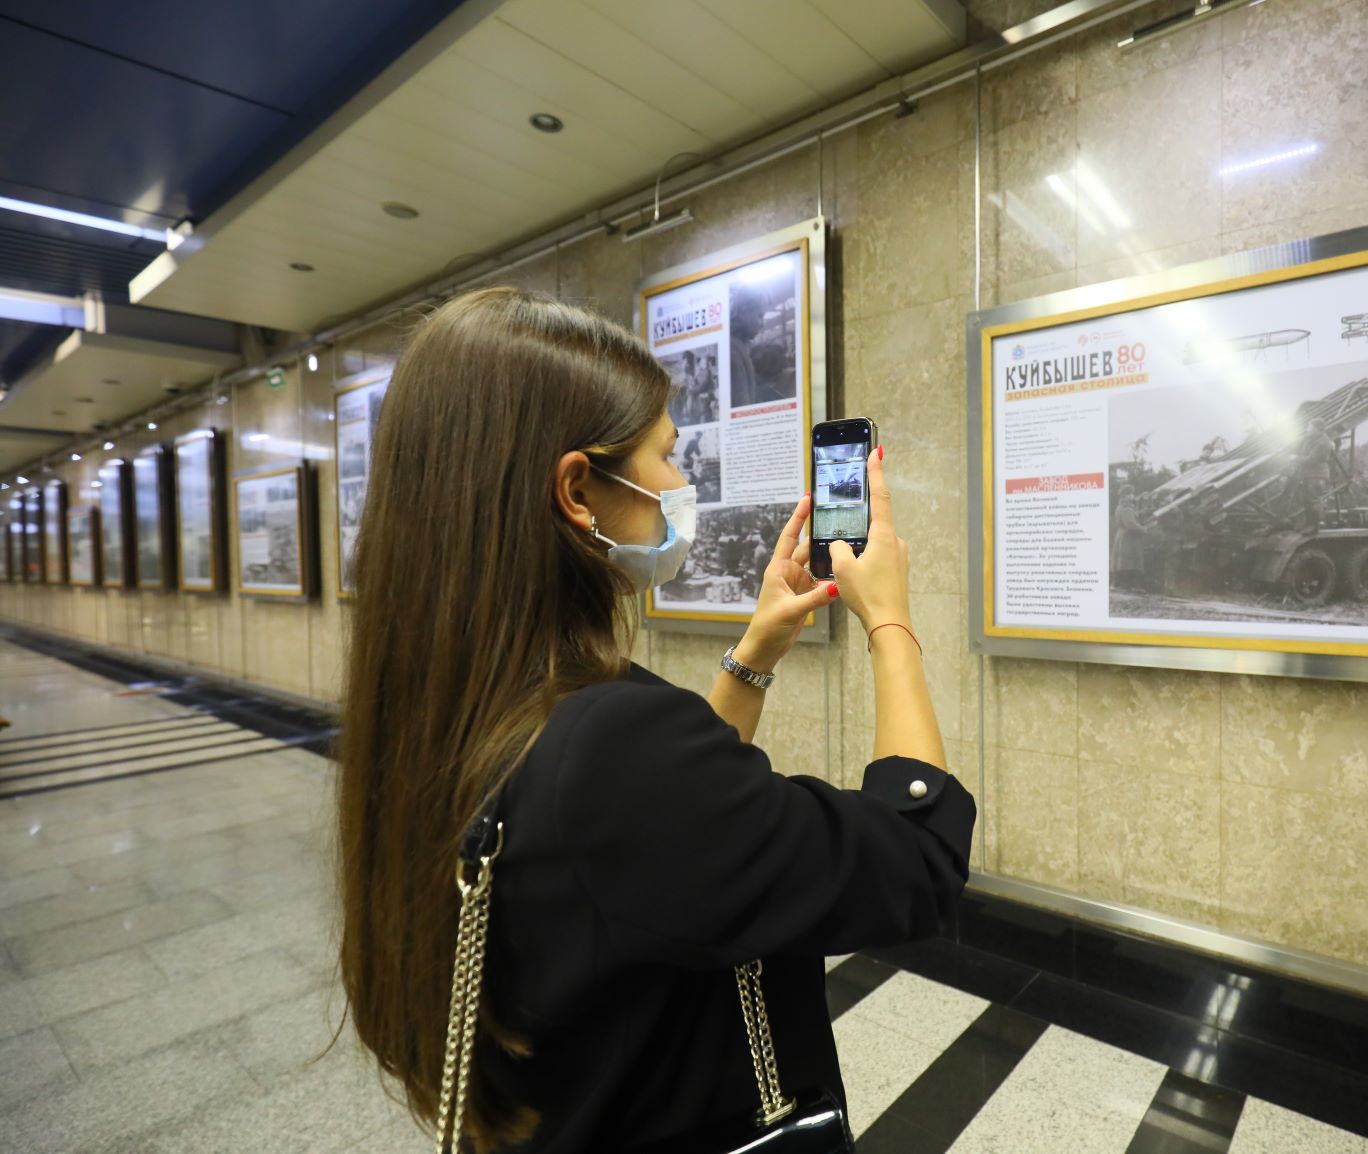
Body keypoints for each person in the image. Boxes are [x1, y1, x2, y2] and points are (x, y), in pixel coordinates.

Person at [335, 288, 971, 1153]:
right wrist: (890, 623)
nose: (682, 484)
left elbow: (662, 843)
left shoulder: (455, 702)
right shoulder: (611, 743)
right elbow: (918, 860)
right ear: (576, 490)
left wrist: (753, 656)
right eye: (667, 456)